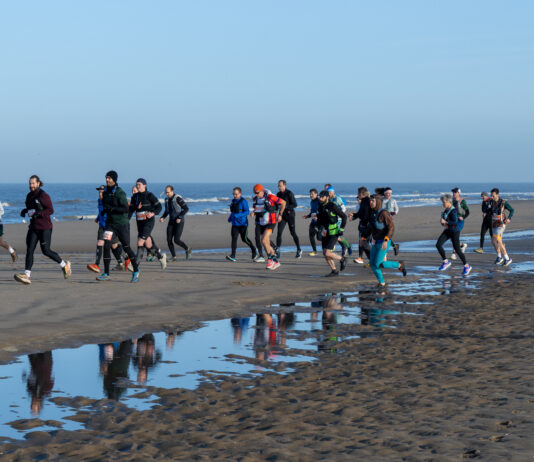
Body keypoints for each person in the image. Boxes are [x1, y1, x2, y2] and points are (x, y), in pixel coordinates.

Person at [14, 175, 71, 285]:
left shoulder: (43, 195)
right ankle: (27, 275)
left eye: (33, 183)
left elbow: (50, 210)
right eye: (30, 183)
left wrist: (39, 213)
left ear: (38, 183)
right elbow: (31, 209)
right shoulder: (29, 196)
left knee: (46, 251)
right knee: (29, 250)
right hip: (33, 227)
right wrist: (24, 211)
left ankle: (64, 265)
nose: (31, 185)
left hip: (45, 227)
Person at [96, 170, 140, 282]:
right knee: (106, 245)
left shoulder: (120, 192)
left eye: (109, 178)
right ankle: (106, 273)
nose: (107, 180)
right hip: (110, 225)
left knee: (126, 247)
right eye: (106, 178)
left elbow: (125, 209)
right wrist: (103, 212)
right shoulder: (105, 192)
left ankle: (136, 270)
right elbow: (105, 205)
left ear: (114, 180)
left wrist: (112, 209)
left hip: (122, 224)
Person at [363, 193, 406, 289]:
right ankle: (382, 282)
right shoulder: (372, 213)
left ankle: (399, 265)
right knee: (372, 264)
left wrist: (386, 240)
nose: (371, 202)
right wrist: (363, 238)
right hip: (375, 242)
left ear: (378, 202)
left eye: (373, 200)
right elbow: (370, 228)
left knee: (377, 264)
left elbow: (391, 227)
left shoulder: (384, 213)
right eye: (370, 200)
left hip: (384, 242)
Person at [87, 185, 130, 273]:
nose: (100, 193)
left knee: (114, 245)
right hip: (101, 226)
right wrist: (98, 218)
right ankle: (96, 265)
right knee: (100, 243)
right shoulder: (99, 200)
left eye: (102, 192)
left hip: (110, 226)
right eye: (99, 192)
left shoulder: (109, 200)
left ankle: (126, 258)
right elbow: (101, 211)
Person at [129, 178, 167, 270]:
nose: (137, 186)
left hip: (148, 222)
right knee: (148, 245)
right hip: (139, 223)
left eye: (139, 184)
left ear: (144, 185)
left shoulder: (149, 195)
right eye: (137, 184)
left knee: (140, 242)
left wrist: (152, 213)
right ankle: (161, 257)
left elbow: (159, 207)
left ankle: (135, 266)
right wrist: (135, 208)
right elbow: (131, 210)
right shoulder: (135, 197)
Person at [251, 184, 286, 270]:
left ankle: (270, 260)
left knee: (263, 240)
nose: (256, 194)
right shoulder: (255, 199)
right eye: (255, 193)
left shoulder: (270, 197)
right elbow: (257, 209)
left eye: (257, 193)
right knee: (266, 242)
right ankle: (275, 261)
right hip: (261, 223)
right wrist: (254, 212)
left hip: (271, 222)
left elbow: (283, 202)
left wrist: (280, 214)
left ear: (262, 191)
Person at [435, 194, 472, 276]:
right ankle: (446, 261)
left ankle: (467, 266)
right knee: (438, 245)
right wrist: (443, 223)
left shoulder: (453, 211)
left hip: (455, 231)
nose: (443, 204)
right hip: (448, 230)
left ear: (448, 202)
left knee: (457, 250)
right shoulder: (446, 210)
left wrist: (446, 222)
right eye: (442, 202)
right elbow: (445, 221)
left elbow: (455, 222)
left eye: (444, 202)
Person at [317, 190, 347, 277]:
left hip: (334, 231)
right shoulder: (320, 206)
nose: (320, 198)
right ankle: (334, 271)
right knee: (324, 253)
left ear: (327, 197)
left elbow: (344, 217)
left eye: (322, 197)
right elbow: (320, 218)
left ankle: (342, 259)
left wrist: (341, 229)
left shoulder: (332, 205)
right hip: (325, 232)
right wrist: (317, 228)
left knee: (327, 252)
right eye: (320, 197)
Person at [160, 185, 191, 261]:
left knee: (176, 240)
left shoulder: (177, 198)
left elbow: (186, 209)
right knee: (169, 240)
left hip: (179, 222)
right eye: (166, 192)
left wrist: (179, 217)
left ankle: (187, 249)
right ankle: (174, 257)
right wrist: (163, 217)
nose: (167, 194)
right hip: (171, 221)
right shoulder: (166, 199)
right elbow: (167, 211)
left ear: (172, 191)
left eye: (168, 192)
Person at [226, 187, 257, 261]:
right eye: (233, 194)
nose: (235, 195)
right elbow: (233, 211)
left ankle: (253, 249)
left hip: (243, 224)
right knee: (234, 239)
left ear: (240, 194)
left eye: (236, 194)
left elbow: (247, 212)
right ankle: (233, 255)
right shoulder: (233, 201)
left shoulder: (243, 202)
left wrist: (237, 215)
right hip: (235, 224)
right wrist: (230, 218)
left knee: (244, 239)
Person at [276, 180, 302, 259]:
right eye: (278, 186)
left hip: (290, 215)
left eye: (280, 186)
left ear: (284, 186)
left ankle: (299, 249)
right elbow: (277, 205)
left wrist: (285, 207)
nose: (279, 187)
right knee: (279, 232)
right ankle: (278, 250)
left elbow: (295, 204)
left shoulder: (289, 193)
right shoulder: (278, 194)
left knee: (293, 233)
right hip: (282, 216)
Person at [489, 188, 514, 266]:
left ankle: (507, 258)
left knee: (498, 240)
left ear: (497, 195)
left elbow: (512, 210)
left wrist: (509, 218)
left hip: (501, 224)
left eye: (493, 196)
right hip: (494, 224)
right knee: (493, 241)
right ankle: (499, 257)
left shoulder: (503, 202)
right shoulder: (491, 202)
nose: (492, 197)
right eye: (491, 196)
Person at [325, 185, 352, 256]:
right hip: (333, 220)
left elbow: (344, 208)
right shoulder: (329, 199)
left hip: (339, 220)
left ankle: (332, 249)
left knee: (335, 236)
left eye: (329, 192)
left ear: (332, 192)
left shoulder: (337, 198)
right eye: (327, 192)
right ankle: (346, 246)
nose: (328, 194)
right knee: (335, 236)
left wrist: (339, 215)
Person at [349, 186, 371, 264]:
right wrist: (353, 214)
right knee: (362, 242)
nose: (358, 195)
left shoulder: (369, 201)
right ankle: (363, 258)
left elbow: (372, 213)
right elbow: (359, 214)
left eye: (358, 194)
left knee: (364, 244)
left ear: (362, 194)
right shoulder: (363, 202)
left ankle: (375, 257)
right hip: (362, 225)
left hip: (368, 226)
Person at [451, 187, 469, 259]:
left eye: (455, 192)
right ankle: (462, 245)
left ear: (459, 193)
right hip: (453, 221)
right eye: (453, 192)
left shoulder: (462, 201)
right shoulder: (452, 201)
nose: (454, 193)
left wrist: (463, 217)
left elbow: (468, 212)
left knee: (454, 236)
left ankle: (454, 253)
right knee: (453, 237)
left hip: (460, 221)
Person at [302, 188, 321, 256]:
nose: (311, 195)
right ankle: (314, 251)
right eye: (310, 194)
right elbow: (312, 212)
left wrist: (318, 217)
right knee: (311, 236)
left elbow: (323, 211)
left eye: (312, 194)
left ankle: (331, 244)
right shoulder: (311, 202)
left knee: (319, 238)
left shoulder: (319, 201)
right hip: (313, 222)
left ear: (316, 194)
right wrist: (307, 216)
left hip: (320, 222)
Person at [383, 187, 400, 256]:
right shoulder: (381, 200)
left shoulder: (393, 201)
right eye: (387, 193)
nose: (389, 194)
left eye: (390, 193)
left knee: (387, 234)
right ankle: (394, 246)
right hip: (382, 219)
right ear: (385, 193)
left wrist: (394, 213)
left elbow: (397, 209)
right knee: (383, 234)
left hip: (390, 219)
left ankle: (388, 247)